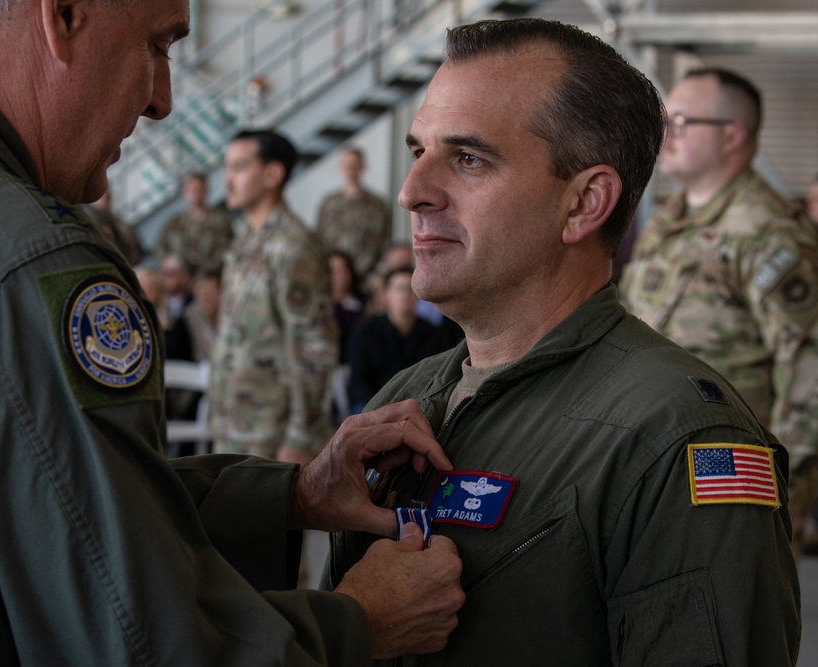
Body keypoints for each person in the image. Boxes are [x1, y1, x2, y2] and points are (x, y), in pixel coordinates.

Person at [0, 1, 466, 664]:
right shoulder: (26, 263)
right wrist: (363, 619)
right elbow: (141, 639)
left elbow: (12, 508)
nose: (163, 99)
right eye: (157, 46)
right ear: (64, 15)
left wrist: (289, 494)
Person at [324, 17, 800, 665]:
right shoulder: (398, 404)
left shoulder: (678, 441)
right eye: (417, 152)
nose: (412, 192)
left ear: (583, 204)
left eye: (467, 158)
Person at [618, 67, 818, 557]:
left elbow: (810, 363)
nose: (668, 134)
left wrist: (793, 486)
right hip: (647, 460)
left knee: (723, 625)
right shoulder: (668, 218)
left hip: (731, 475)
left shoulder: (767, 232)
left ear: (733, 135)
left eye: (684, 121)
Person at [209, 129, 339, 466]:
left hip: (273, 436)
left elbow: (315, 347)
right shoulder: (244, 242)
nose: (228, 179)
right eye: (227, 168)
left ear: (272, 174)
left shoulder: (293, 247)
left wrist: (301, 437)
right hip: (236, 425)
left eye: (238, 167)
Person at [347, 266, 453, 414]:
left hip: (417, 408)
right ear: (385, 295)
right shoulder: (366, 331)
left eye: (410, 289)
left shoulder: (434, 334)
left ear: (418, 295)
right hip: (371, 405)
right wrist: (381, 410)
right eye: (399, 289)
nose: (405, 295)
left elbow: (438, 380)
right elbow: (358, 382)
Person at [316, 147, 393, 280]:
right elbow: (320, 239)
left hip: (366, 275)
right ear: (340, 167)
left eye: (354, 163)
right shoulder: (329, 203)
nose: (350, 168)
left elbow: (382, 242)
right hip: (333, 276)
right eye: (346, 164)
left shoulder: (377, 204)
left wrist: (360, 272)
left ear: (362, 166)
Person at [157, 171, 235, 272]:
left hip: (213, 278)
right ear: (184, 193)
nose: (194, 193)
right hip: (180, 280)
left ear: (206, 191)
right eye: (190, 189)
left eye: (198, 189)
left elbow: (230, 250)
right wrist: (170, 263)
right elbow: (160, 250)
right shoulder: (174, 223)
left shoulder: (221, 221)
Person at [330, 250, 366, 364]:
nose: (338, 275)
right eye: (333, 271)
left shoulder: (365, 301)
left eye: (342, 269)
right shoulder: (320, 308)